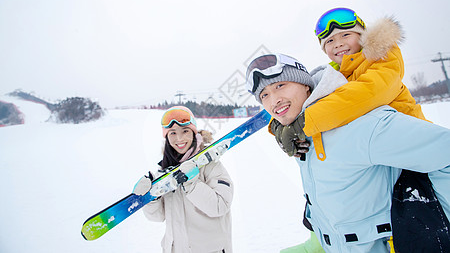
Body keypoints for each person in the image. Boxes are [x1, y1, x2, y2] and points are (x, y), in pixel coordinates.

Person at [245, 53, 450, 252]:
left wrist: (432, 230)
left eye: (280, 86)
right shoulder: (301, 136)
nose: (274, 100)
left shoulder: (361, 125)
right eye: (264, 95)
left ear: (305, 85)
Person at [276, 7, 436, 253]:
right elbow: (305, 100)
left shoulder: (383, 59)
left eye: (345, 35)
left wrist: (304, 122)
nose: (337, 44)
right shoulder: (336, 73)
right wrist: (280, 126)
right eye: (329, 41)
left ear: (362, 35)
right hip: (370, 160)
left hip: (408, 162)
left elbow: (361, 96)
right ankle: (320, 241)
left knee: (402, 223)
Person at [133, 106, 234, 253]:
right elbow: (158, 216)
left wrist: (191, 183)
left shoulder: (211, 166)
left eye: (185, 131)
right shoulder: (165, 171)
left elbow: (220, 206)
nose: (179, 138)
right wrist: (150, 199)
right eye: (172, 133)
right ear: (167, 137)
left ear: (194, 133)